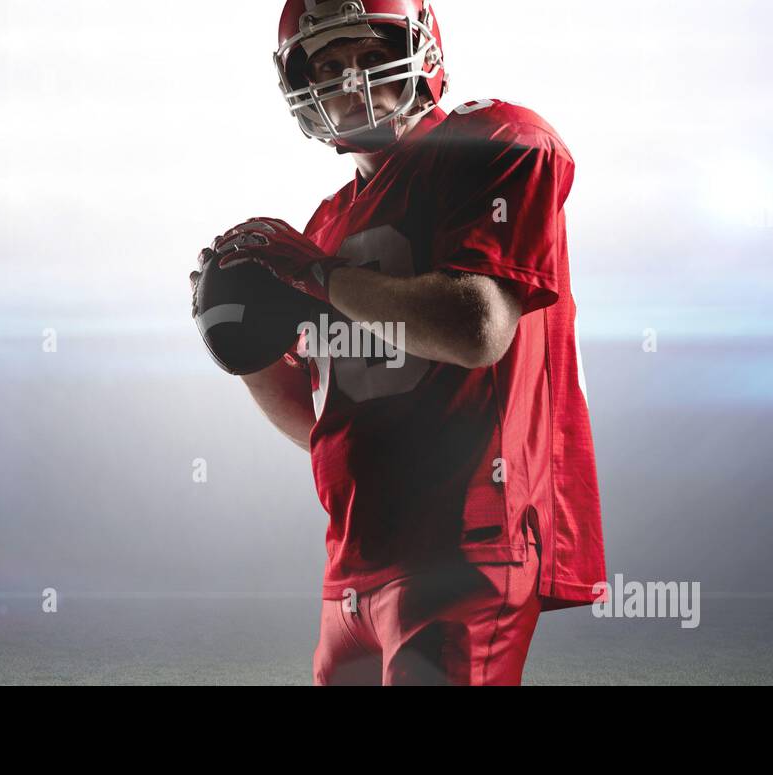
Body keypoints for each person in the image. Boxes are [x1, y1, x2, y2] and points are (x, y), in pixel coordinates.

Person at [191, 0, 606, 685]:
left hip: (465, 542)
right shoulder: (325, 223)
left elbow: (478, 329)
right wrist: (245, 344)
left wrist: (317, 275)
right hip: (354, 561)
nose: (350, 80)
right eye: (326, 64)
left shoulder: (494, 141)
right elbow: (325, 422)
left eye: (369, 54)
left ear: (422, 52)